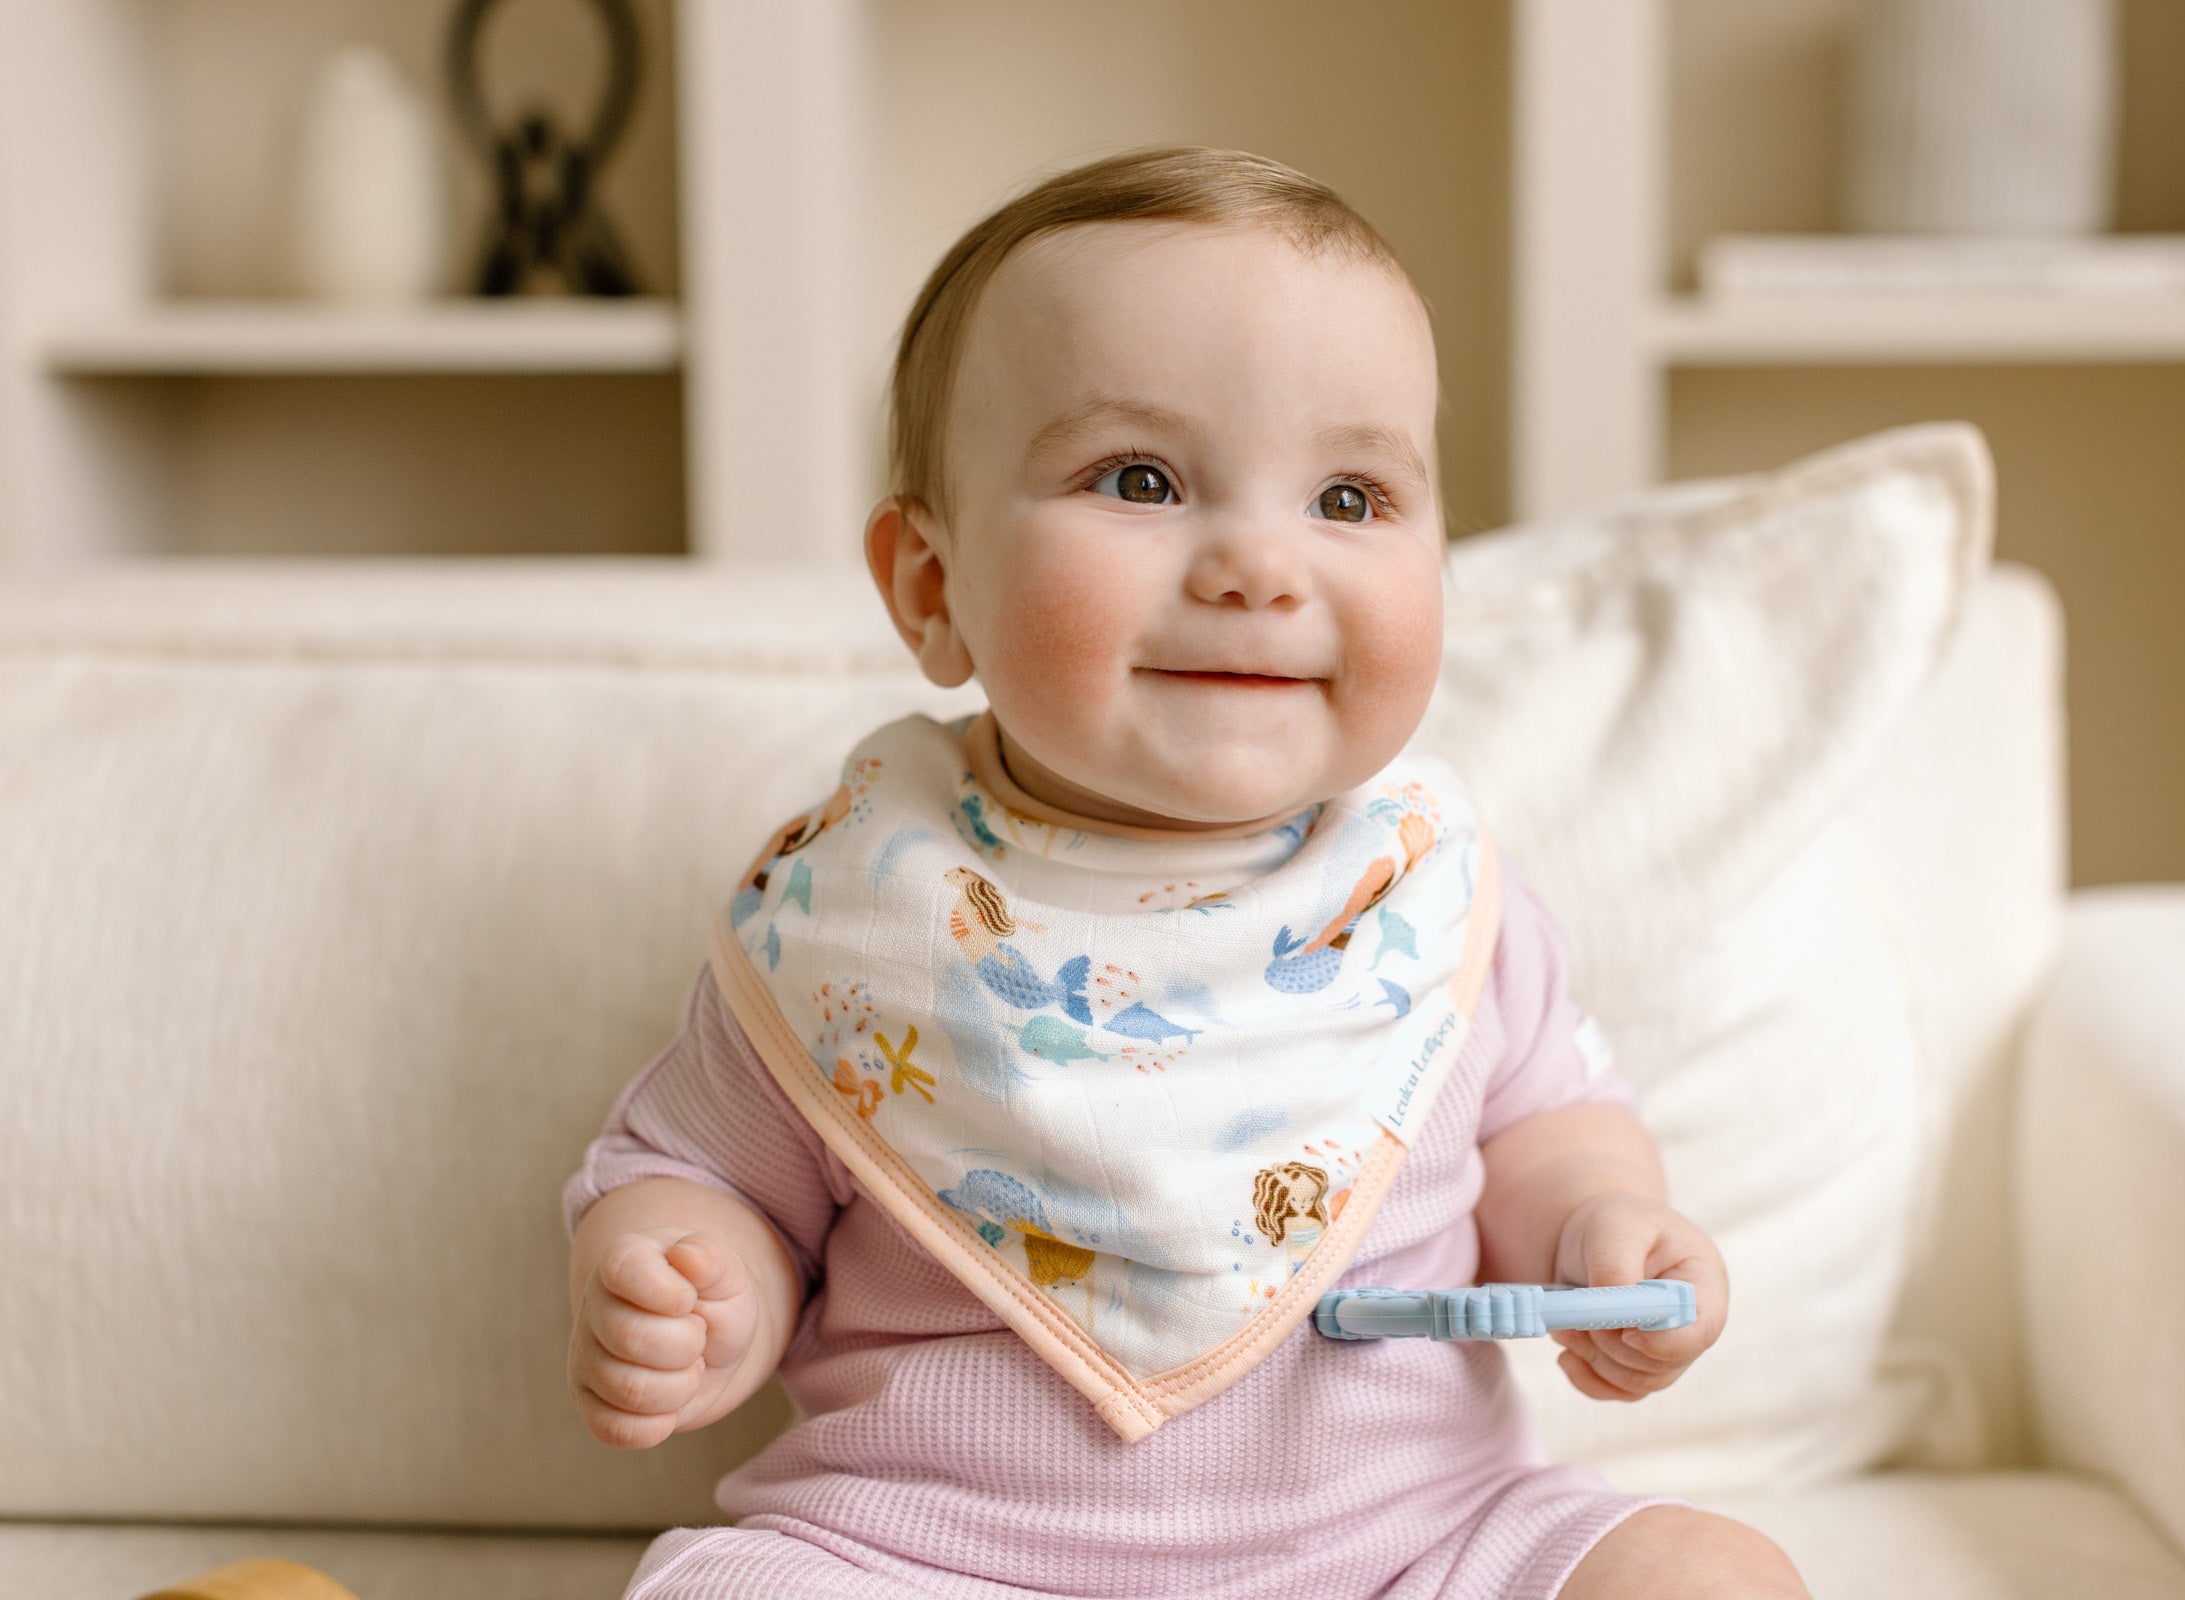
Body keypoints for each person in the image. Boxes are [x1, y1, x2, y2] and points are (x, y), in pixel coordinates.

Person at [562, 147, 1809, 1600]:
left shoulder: (1425, 900)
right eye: (1142, 480)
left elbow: (1550, 1128)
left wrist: (1600, 1227)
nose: (1260, 566)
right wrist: (690, 1280)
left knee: (1706, 1575)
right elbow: (708, 1178)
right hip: (930, 1557)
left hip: (1413, 1549)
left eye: (1349, 498)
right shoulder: (856, 917)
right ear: (932, 588)